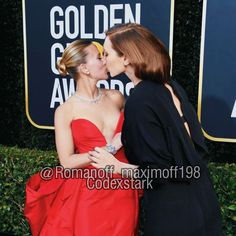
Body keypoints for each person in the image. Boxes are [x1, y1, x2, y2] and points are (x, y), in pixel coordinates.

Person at [88, 23, 222, 235]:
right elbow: (192, 153)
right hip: (204, 203)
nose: (103, 59)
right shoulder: (170, 86)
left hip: (173, 214)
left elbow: (156, 174)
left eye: (107, 53)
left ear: (126, 57)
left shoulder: (140, 99)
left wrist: (114, 166)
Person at [24, 40, 139, 236]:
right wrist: (110, 148)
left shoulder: (116, 97)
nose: (105, 60)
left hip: (123, 188)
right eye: (99, 57)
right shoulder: (66, 111)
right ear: (84, 68)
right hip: (89, 193)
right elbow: (67, 162)